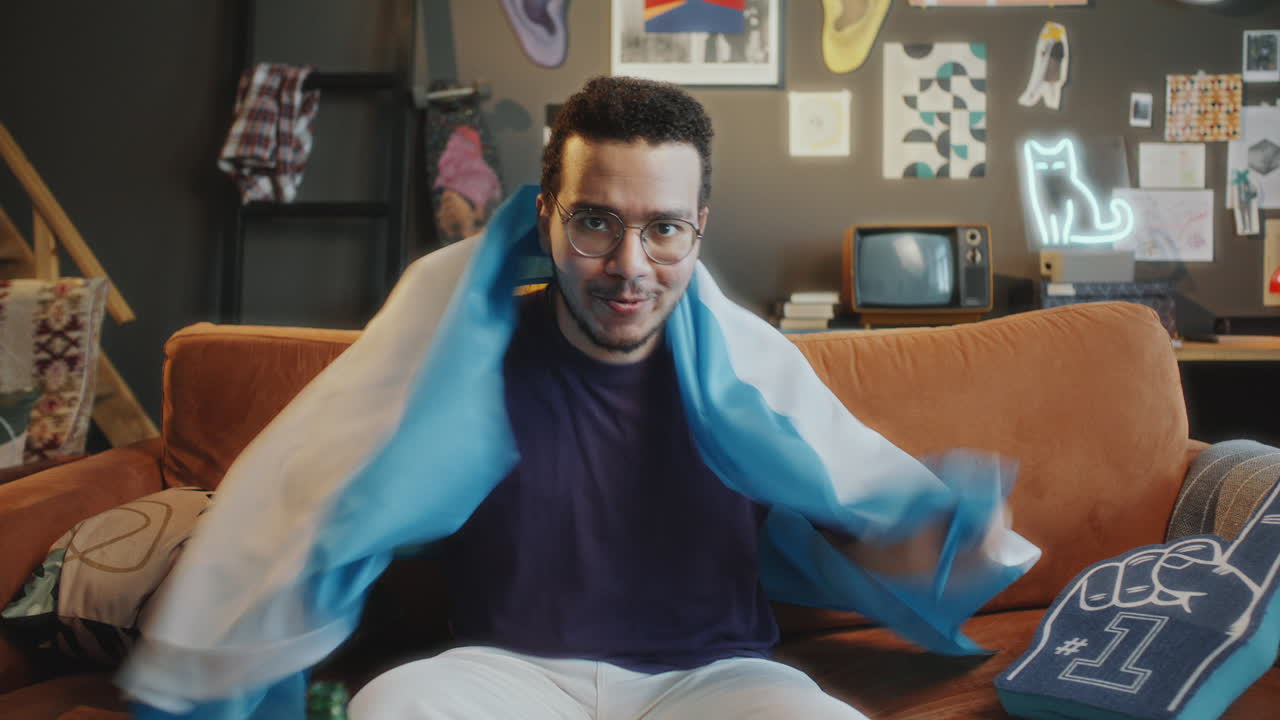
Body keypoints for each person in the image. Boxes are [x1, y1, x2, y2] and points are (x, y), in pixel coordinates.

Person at [345, 75, 1002, 719]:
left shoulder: (754, 363)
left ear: (699, 227)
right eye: (596, 223)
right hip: (504, 675)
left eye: (664, 229)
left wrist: (937, 544)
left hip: (712, 682)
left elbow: (848, 525)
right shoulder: (468, 351)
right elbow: (346, 517)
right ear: (546, 215)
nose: (630, 265)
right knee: (391, 704)